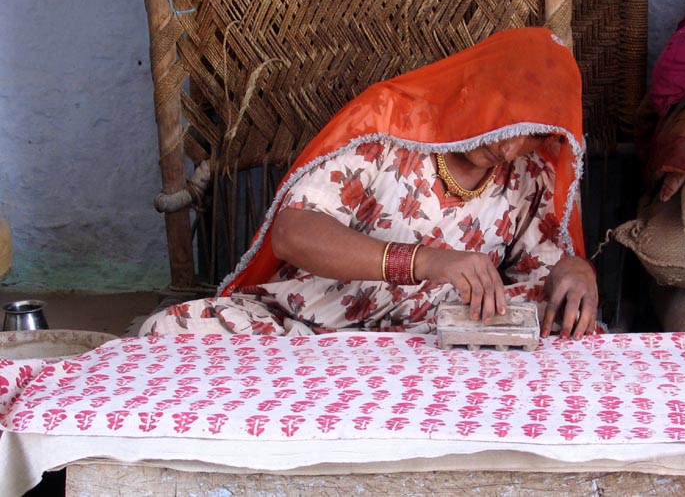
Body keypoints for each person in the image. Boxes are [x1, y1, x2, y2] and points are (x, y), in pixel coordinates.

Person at [140, 27, 598, 340]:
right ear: (476, 89)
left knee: (571, 328)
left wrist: (576, 272)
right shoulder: (390, 130)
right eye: (508, 120)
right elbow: (292, 233)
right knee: (172, 334)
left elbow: (545, 267)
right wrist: (424, 262)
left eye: (535, 133)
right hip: (309, 327)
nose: (511, 147)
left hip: (436, 340)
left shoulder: (528, 173)